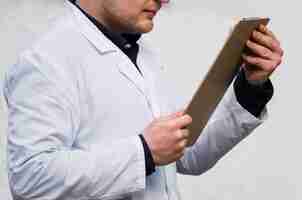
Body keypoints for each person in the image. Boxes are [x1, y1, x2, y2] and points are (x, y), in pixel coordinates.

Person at [3, 0, 283, 199]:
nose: (164, 0)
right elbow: (29, 178)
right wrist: (143, 153)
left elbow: (186, 155)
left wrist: (250, 86)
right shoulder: (46, 60)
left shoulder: (141, 53)